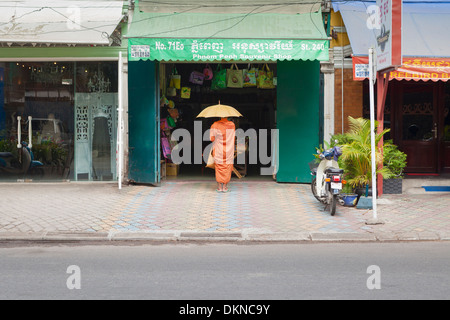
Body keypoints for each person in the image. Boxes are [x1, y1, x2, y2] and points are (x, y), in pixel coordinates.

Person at [210, 117, 235, 192]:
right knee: (227, 167)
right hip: (229, 150)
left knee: (218, 168)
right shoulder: (232, 125)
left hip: (218, 150)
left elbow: (212, 139)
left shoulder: (215, 125)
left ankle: (219, 187)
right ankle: (225, 187)